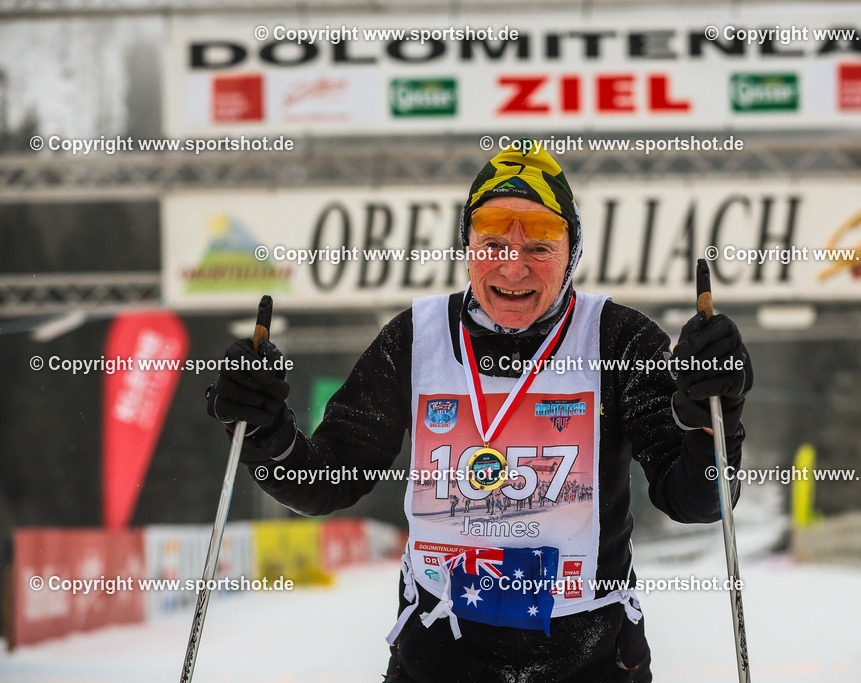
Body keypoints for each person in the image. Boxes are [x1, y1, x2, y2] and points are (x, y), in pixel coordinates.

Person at [205, 141, 753, 682]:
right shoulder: (415, 339)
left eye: (539, 246)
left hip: (589, 661)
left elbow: (698, 502)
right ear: (467, 248)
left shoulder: (618, 339)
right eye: (493, 243)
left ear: (572, 253)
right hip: (440, 659)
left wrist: (712, 416)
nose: (513, 269)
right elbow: (326, 481)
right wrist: (263, 431)